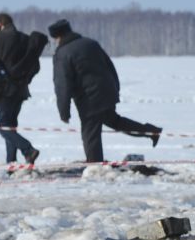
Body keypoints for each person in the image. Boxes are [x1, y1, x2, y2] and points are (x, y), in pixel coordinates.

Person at [49, 18, 162, 162]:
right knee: (114, 121)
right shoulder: (91, 43)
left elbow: (62, 84)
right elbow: (110, 66)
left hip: (89, 99)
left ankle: (95, 166)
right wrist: (115, 88)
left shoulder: (63, 54)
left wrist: (64, 111)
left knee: (90, 133)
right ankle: (151, 131)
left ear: (57, 37)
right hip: (107, 92)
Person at [0, 14, 45, 166]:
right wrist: (25, 81)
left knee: (3, 127)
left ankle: (28, 150)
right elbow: (36, 66)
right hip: (21, 91)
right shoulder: (25, 39)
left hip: (4, 92)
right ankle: (11, 163)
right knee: (10, 126)